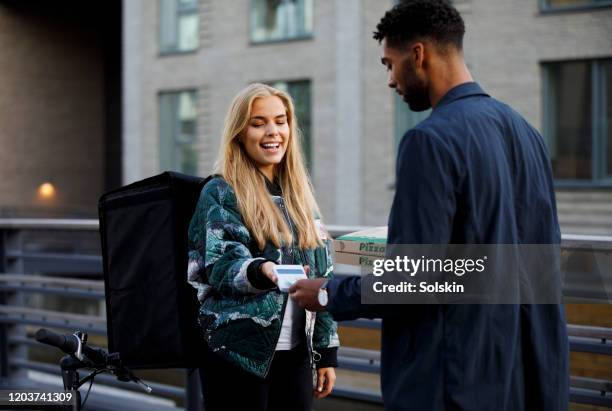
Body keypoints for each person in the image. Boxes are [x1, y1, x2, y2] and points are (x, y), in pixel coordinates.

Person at [289, 1, 569, 410]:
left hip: (454, 382)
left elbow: (415, 278)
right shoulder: (527, 133)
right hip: (531, 375)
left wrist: (329, 294)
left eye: (389, 64)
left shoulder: (429, 141)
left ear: (417, 55)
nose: (390, 80)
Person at [187, 83, 339, 411]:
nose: (273, 131)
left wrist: (326, 351)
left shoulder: (300, 197)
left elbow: (323, 273)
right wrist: (261, 269)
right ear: (240, 133)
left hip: (297, 355)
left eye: (280, 121)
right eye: (258, 123)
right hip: (236, 353)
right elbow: (221, 261)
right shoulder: (221, 191)